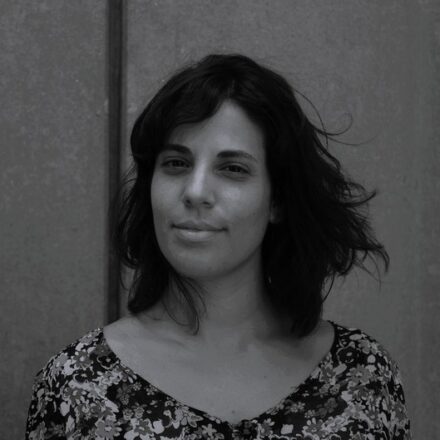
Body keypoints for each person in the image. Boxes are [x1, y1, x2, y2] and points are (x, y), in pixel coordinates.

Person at [26, 53, 411, 439]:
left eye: (232, 169)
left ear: (277, 199)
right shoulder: (77, 385)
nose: (195, 192)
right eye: (176, 163)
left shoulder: (362, 377)